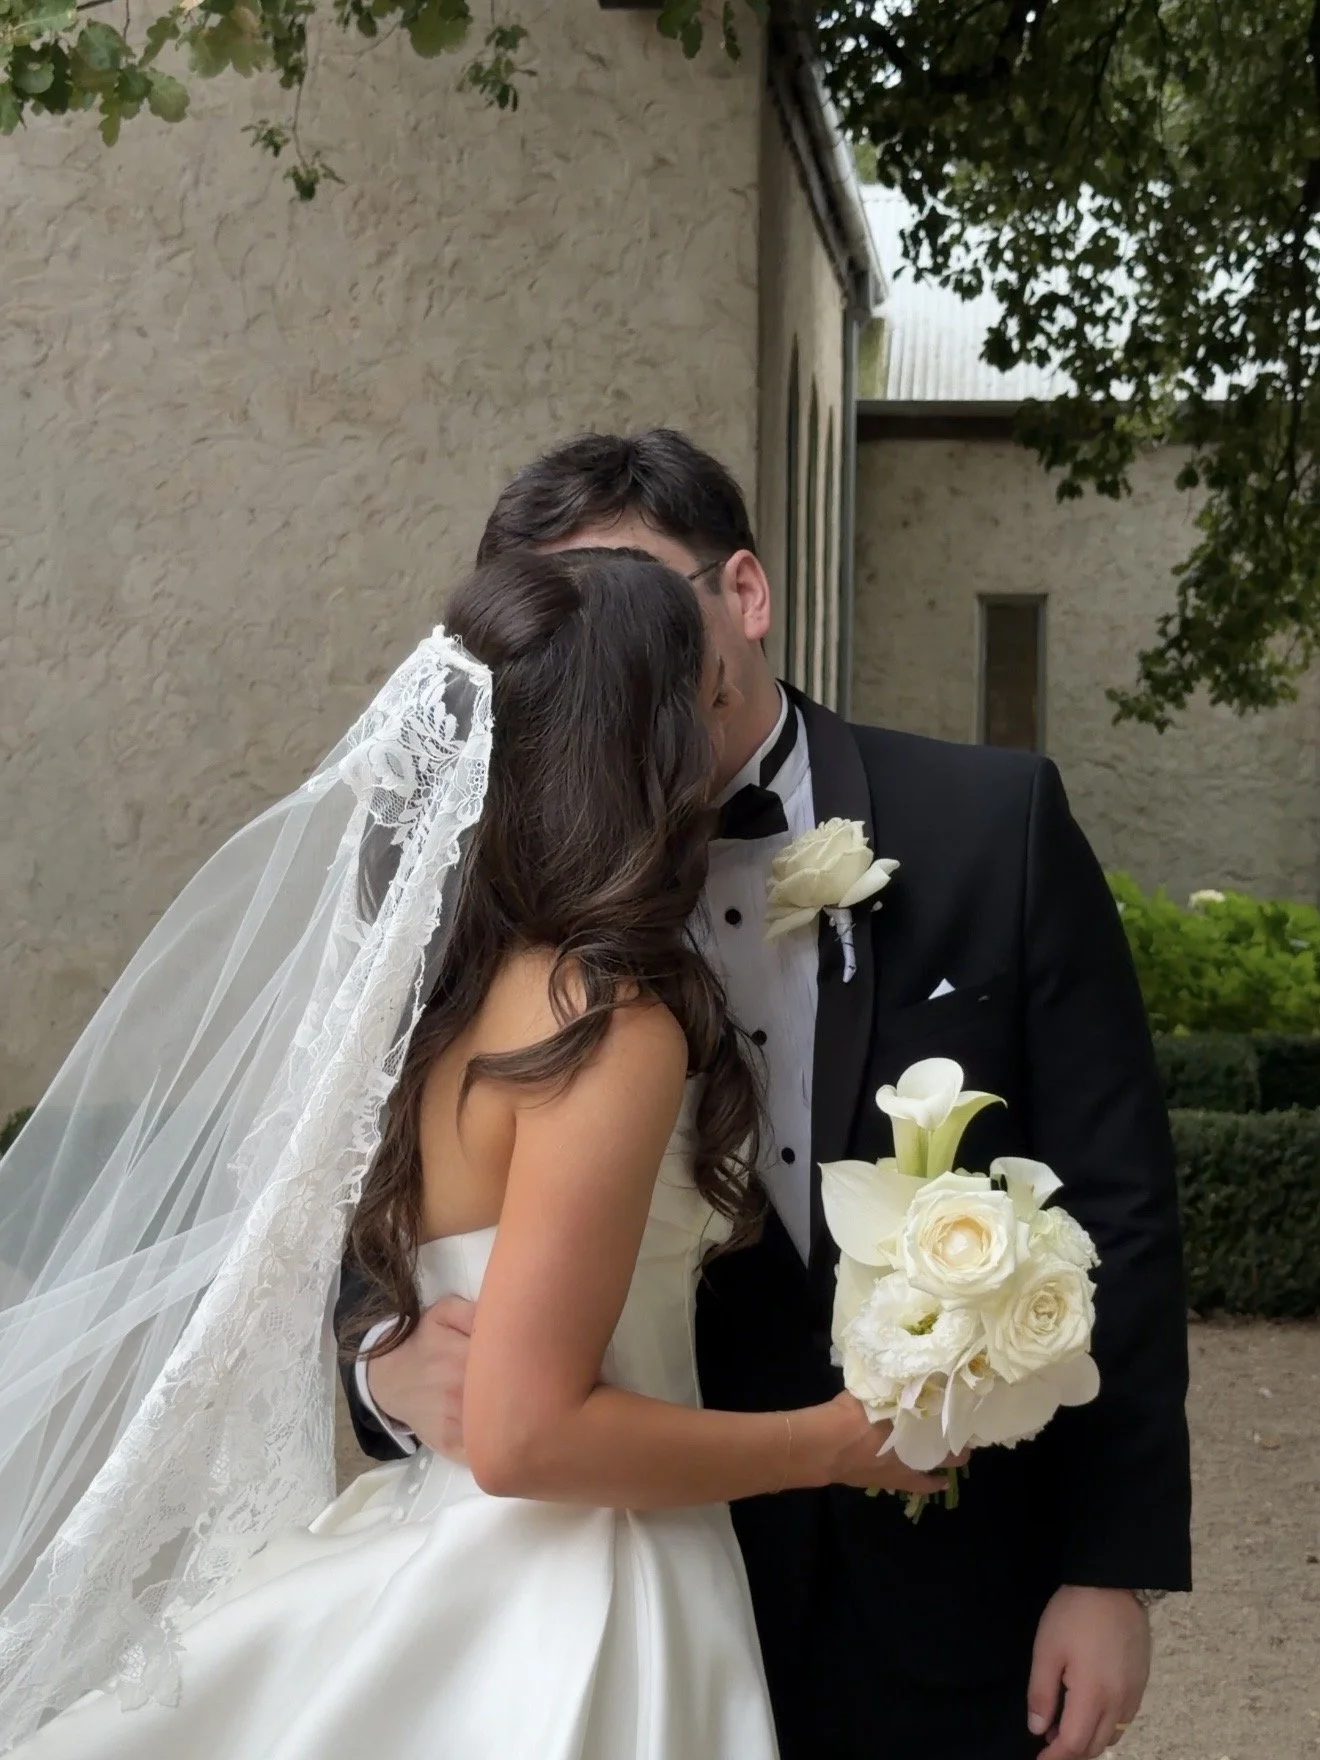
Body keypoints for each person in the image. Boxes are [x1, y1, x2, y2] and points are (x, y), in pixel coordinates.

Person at [0, 546, 949, 1759]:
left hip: (435, 1536)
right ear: (636, 750)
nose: (717, 724)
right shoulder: (606, 1021)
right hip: (582, 1593)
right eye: (696, 698)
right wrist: (826, 1442)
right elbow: (524, 1431)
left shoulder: (436, 1003)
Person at [341, 431, 1193, 1760]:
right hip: (633, 1569)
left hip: (954, 1588)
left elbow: (1123, 1210)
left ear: (743, 594)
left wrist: (1112, 1569)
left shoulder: (993, 824)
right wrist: (383, 1361)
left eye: (629, 596)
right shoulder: (493, 924)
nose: (601, 645)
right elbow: (362, 1189)